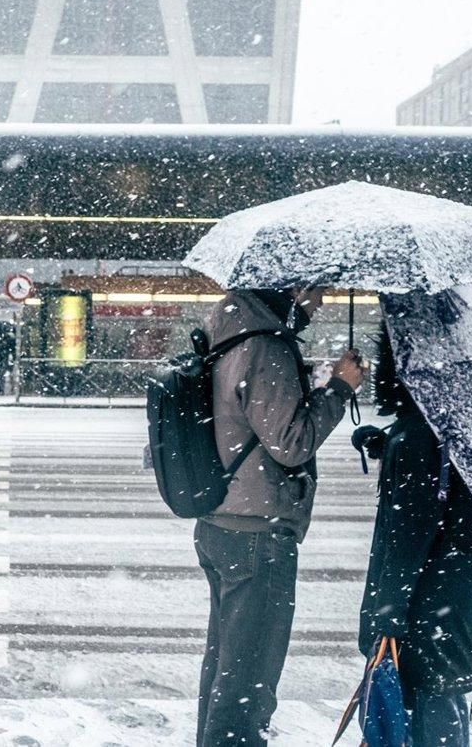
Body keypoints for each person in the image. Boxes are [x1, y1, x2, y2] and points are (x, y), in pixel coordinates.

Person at [196, 288, 363, 747]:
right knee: (248, 680)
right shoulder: (265, 347)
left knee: (225, 669)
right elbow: (291, 443)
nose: (320, 304)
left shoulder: (227, 330)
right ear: (292, 286)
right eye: (316, 293)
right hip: (256, 531)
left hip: (221, 519)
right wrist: (340, 388)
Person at [359, 326, 472, 747]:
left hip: (425, 601)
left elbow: (409, 533)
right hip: (450, 597)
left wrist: (388, 607)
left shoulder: (421, 435)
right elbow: (442, 500)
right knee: (442, 698)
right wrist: (389, 445)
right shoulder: (450, 423)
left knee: (429, 707)